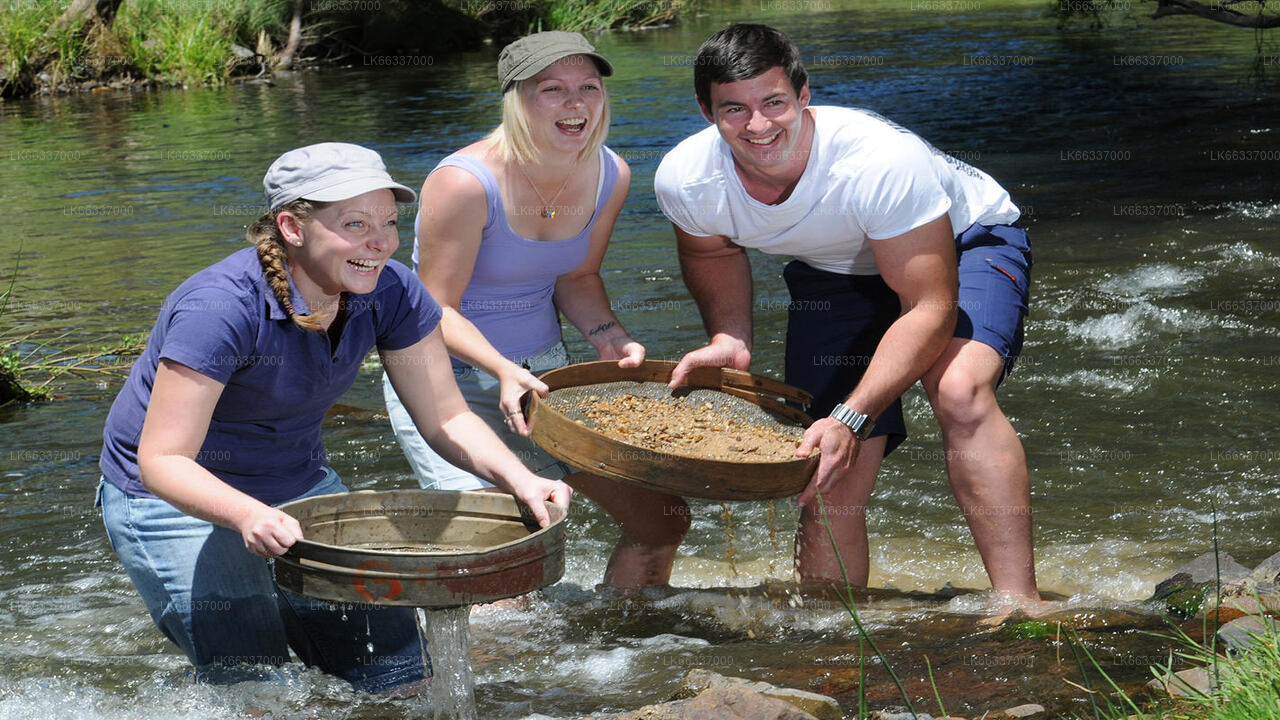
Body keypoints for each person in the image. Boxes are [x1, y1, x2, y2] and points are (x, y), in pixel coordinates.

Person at [97, 142, 573, 692]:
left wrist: (521, 479)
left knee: (399, 674)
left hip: (296, 479)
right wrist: (248, 515)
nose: (381, 241)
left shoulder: (391, 290)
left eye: (389, 222)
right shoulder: (219, 308)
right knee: (256, 685)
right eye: (354, 224)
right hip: (169, 497)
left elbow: (445, 416)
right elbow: (162, 459)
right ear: (292, 228)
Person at [654, 23, 1040, 606]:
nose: (757, 125)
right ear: (706, 111)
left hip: (964, 243)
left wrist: (854, 415)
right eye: (734, 109)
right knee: (824, 453)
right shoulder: (687, 179)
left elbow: (930, 307)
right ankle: (830, 627)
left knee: (958, 390)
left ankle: (1020, 607)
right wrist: (729, 337)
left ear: (804, 94)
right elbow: (712, 251)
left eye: (774, 103)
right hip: (834, 270)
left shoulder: (879, 161)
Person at [381, 31, 690, 591]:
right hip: (443, 381)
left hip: (544, 378)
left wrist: (609, 336)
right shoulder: (463, 183)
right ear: (516, 99)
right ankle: (498, 649)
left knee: (660, 521)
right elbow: (433, 308)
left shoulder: (610, 174)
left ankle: (625, 634)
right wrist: (502, 369)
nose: (576, 104)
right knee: (504, 557)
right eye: (553, 90)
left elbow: (577, 277)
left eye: (588, 88)